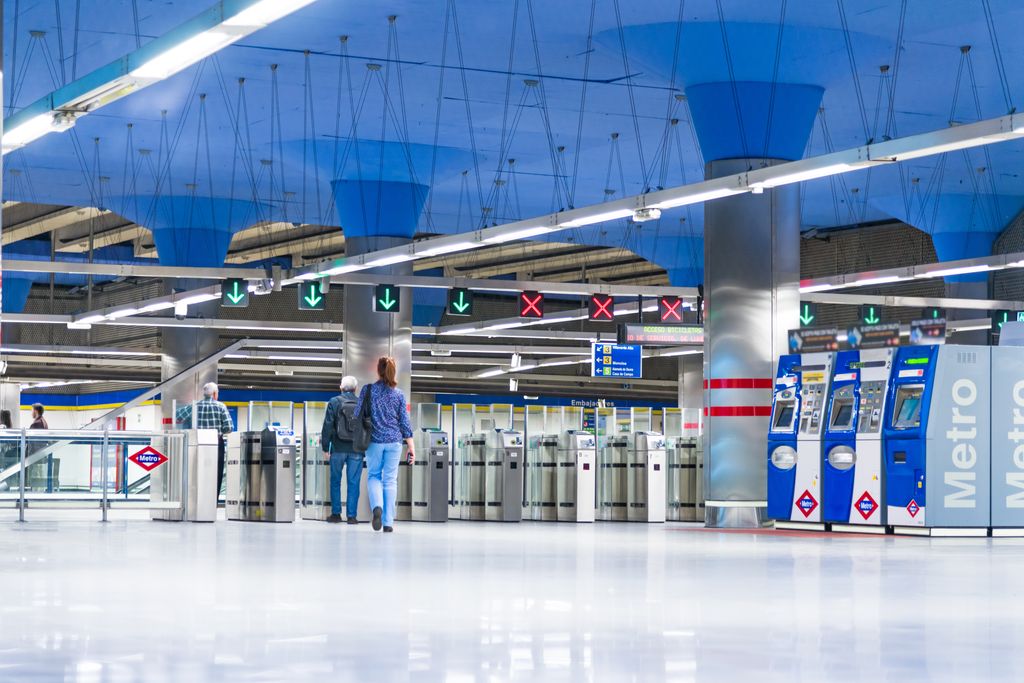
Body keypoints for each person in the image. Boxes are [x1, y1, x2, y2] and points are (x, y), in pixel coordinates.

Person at [355, 356, 415, 533]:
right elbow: (404, 422)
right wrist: (411, 446)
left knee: (374, 476)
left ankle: (377, 508)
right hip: (395, 442)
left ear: (378, 371)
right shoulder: (399, 394)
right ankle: (388, 523)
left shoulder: (368, 390)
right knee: (390, 481)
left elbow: (358, 413)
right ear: (392, 371)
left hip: (374, 441)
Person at [175, 382, 234, 501]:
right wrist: (218, 430)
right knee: (216, 474)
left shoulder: (195, 406)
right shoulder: (221, 406)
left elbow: (178, 416)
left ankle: (198, 501)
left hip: (198, 444)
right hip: (216, 444)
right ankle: (212, 503)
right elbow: (229, 427)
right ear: (214, 394)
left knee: (198, 472)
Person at [321, 376, 362, 524]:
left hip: (337, 448)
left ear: (341, 387)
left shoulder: (334, 402)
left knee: (335, 481)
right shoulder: (361, 403)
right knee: (354, 482)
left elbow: (327, 426)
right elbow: (367, 426)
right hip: (356, 449)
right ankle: (352, 517)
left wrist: (326, 447)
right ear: (355, 388)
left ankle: (336, 514)